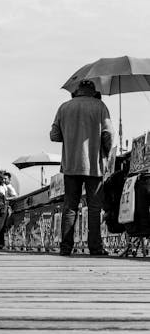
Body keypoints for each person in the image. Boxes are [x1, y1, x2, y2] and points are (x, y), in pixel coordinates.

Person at [50, 79, 114, 256]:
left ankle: (65, 248)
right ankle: (95, 248)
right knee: (94, 207)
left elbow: (54, 135)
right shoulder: (100, 106)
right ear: (93, 92)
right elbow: (108, 134)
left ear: (77, 91)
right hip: (94, 165)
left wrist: (71, 133)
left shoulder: (64, 107)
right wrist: (106, 155)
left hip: (71, 165)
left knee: (70, 206)